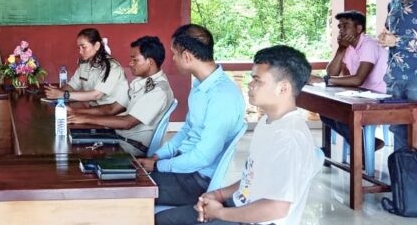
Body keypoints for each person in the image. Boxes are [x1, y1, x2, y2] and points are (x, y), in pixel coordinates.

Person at [156, 45, 323, 225]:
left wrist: (220, 213)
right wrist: (219, 195)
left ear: (283, 88)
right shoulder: (268, 122)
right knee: (161, 219)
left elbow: (276, 208)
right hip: (239, 206)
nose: (250, 85)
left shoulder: (289, 137)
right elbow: (252, 178)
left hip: (259, 220)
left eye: (257, 80)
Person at [136, 24, 245, 209]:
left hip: (196, 180)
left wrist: (158, 166)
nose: (172, 59)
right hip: (183, 167)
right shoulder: (200, 86)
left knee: (128, 189)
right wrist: (157, 157)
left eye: (174, 54)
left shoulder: (223, 96)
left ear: (186, 56)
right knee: (124, 177)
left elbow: (202, 157)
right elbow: (187, 130)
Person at [67, 36, 174, 156]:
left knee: (75, 151)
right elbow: (112, 108)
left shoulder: (158, 90)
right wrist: (76, 112)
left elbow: (127, 123)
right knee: (72, 137)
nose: (130, 63)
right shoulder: (140, 82)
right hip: (118, 137)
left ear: (150, 62)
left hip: (130, 146)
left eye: (135, 60)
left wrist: (86, 118)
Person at [308, 10, 387, 149]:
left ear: (359, 28)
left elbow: (357, 80)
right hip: (363, 94)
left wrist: (324, 80)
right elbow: (332, 72)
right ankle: (365, 145)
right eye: (340, 26)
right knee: (326, 112)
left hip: (380, 96)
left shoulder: (369, 44)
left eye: (345, 26)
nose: (341, 30)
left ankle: (363, 147)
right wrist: (341, 48)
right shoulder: (349, 47)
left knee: (342, 114)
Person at [378, 0, 417, 151]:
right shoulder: (393, 3)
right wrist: (385, 37)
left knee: (415, 130)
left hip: (415, 77)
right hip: (395, 75)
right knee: (398, 128)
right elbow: (390, 30)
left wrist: (398, 41)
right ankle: (402, 170)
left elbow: (398, 39)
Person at [43, 28, 129, 107]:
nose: (80, 51)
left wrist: (63, 94)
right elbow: (72, 86)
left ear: (97, 46)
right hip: (94, 110)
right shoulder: (84, 65)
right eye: (79, 48)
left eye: (83, 47)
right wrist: (56, 92)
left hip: (113, 113)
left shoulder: (112, 67)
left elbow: (96, 95)